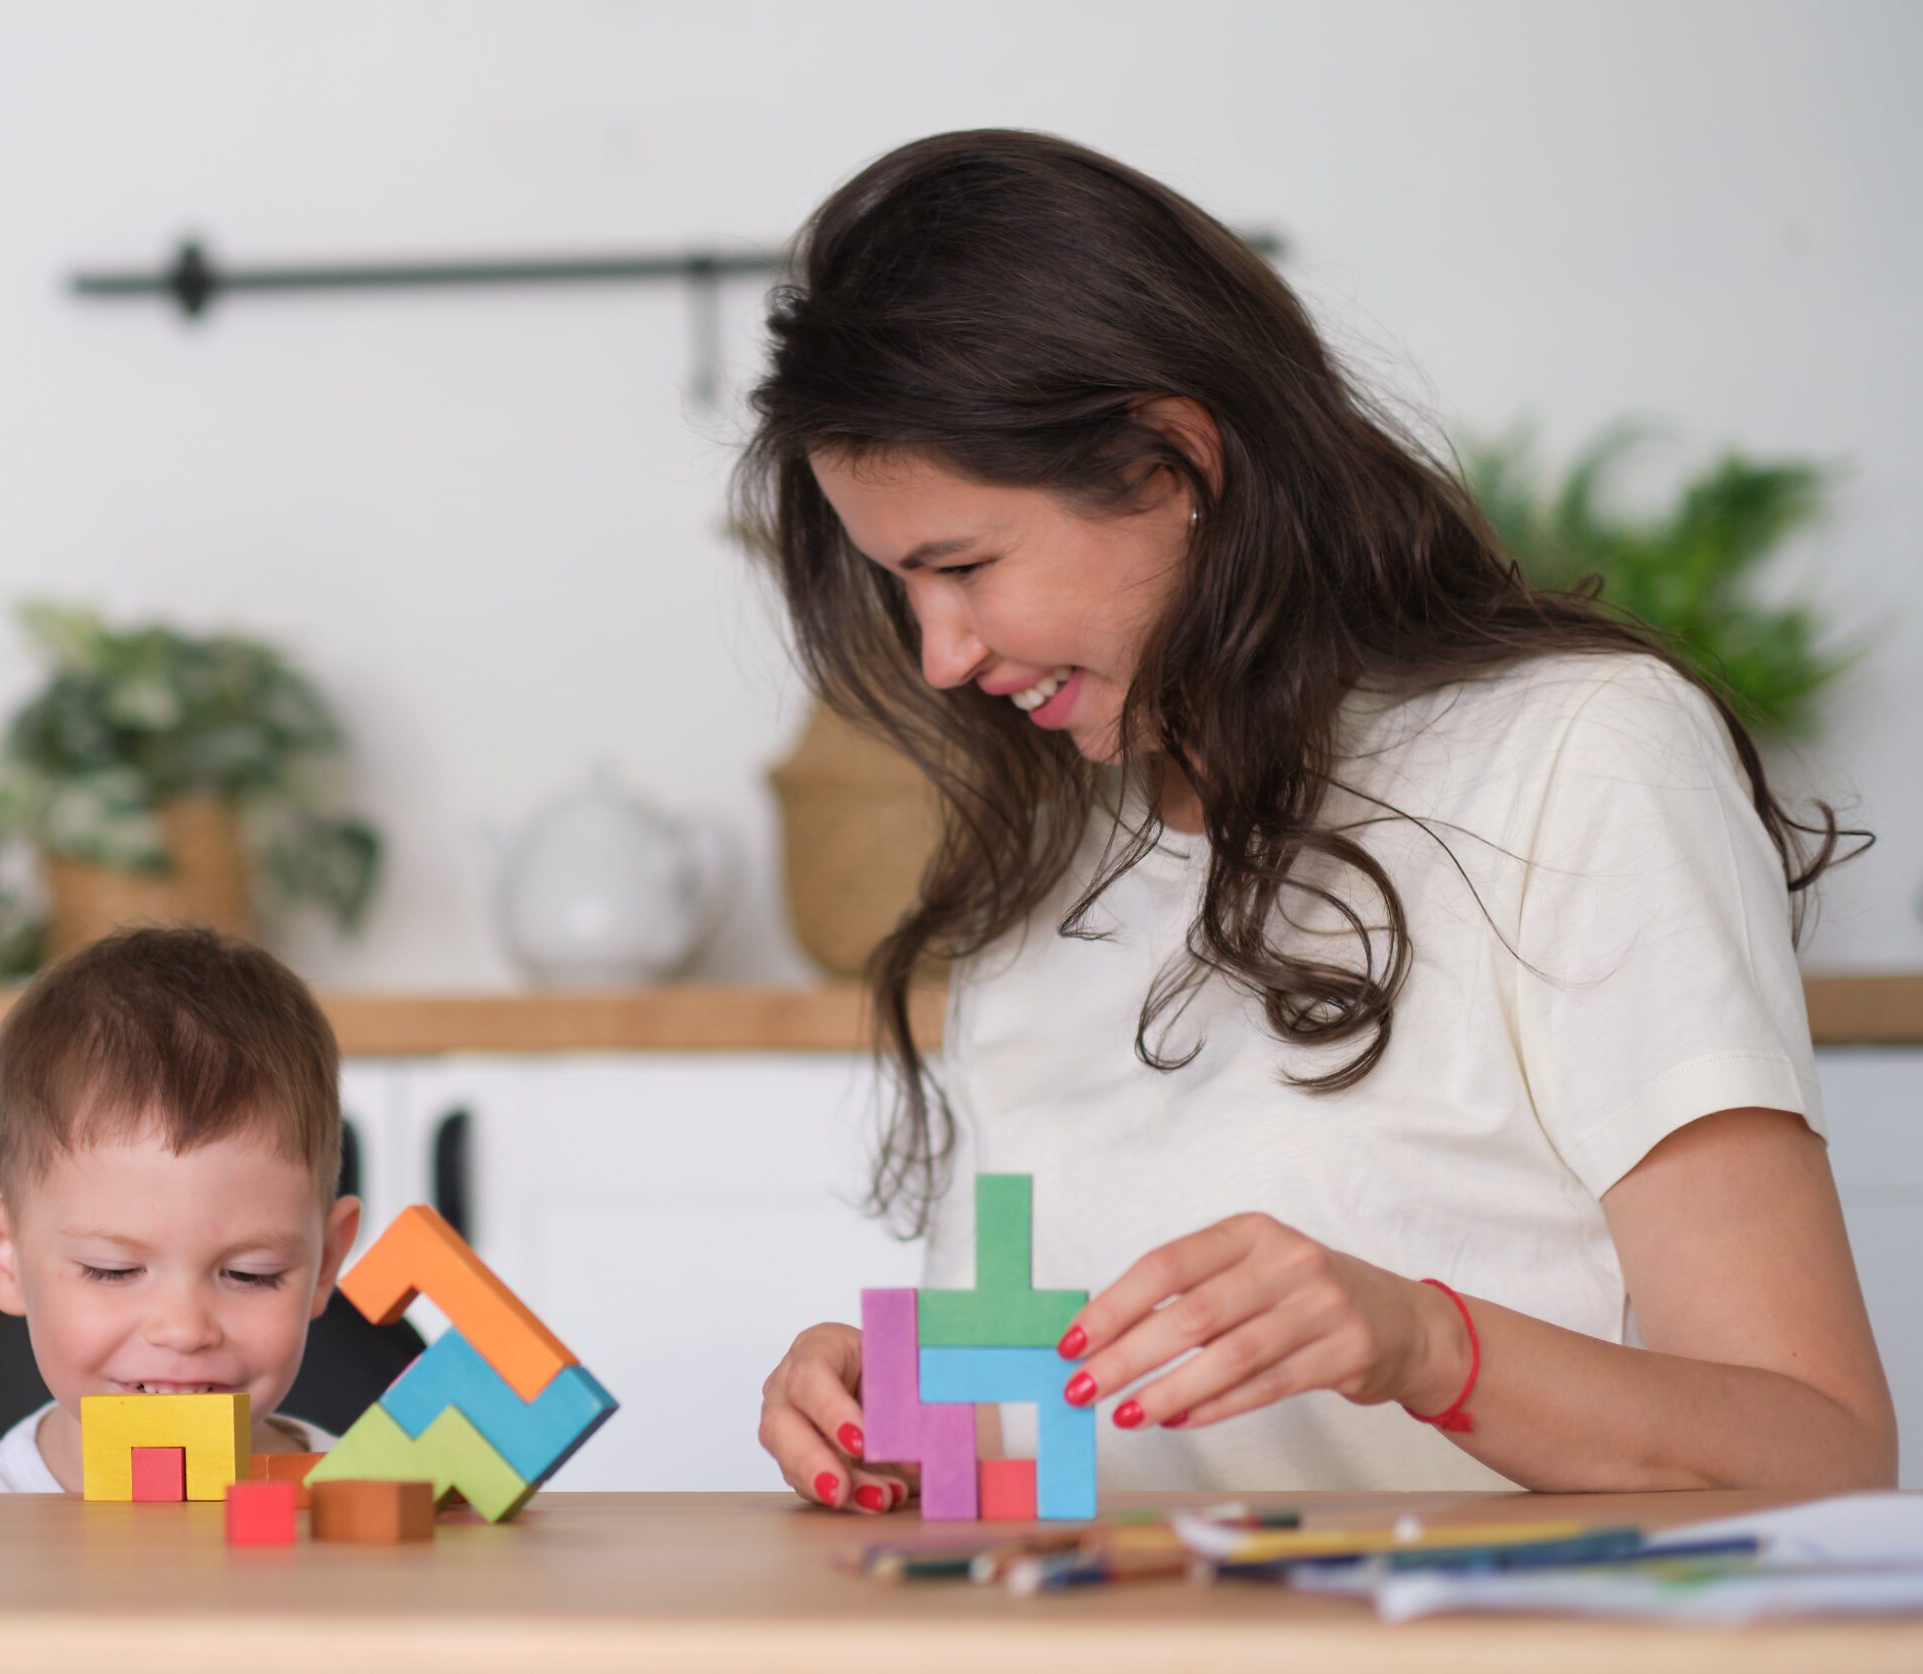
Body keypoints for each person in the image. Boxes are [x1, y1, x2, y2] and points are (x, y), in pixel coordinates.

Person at [739, 130, 1896, 1511]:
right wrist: (911, 1419)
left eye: (967, 566)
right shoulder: (1048, 880)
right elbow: (1071, 1455)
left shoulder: (1580, 757)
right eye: (902, 590)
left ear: (1173, 460)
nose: (940, 655)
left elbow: (1822, 1450)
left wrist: (1419, 1338)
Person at [0, 926, 360, 1491]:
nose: (183, 1330)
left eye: (252, 1275)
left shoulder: (371, 1511)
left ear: (327, 1262)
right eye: (114, 1270)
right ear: (3, 1255)